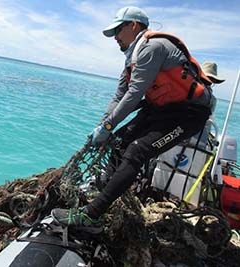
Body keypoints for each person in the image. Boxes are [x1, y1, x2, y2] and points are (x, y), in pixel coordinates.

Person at [51, 6, 214, 230]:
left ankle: (92, 215)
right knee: (119, 140)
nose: (115, 37)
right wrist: (103, 126)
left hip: (188, 114)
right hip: (162, 109)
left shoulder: (152, 48)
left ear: (133, 26)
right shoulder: (132, 58)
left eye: (118, 30)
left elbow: (135, 93)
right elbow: (119, 95)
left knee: (137, 150)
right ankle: (101, 189)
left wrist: (108, 124)